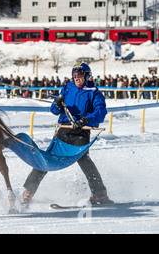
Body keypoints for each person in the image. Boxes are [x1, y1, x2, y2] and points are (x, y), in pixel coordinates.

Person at [21, 62, 113, 206]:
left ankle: (100, 195)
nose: (76, 77)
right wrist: (57, 103)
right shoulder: (67, 88)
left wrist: (85, 120)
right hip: (63, 130)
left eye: (80, 74)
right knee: (46, 158)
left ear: (87, 76)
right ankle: (28, 192)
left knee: (84, 160)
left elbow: (100, 112)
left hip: (81, 132)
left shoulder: (94, 92)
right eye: (74, 74)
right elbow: (54, 110)